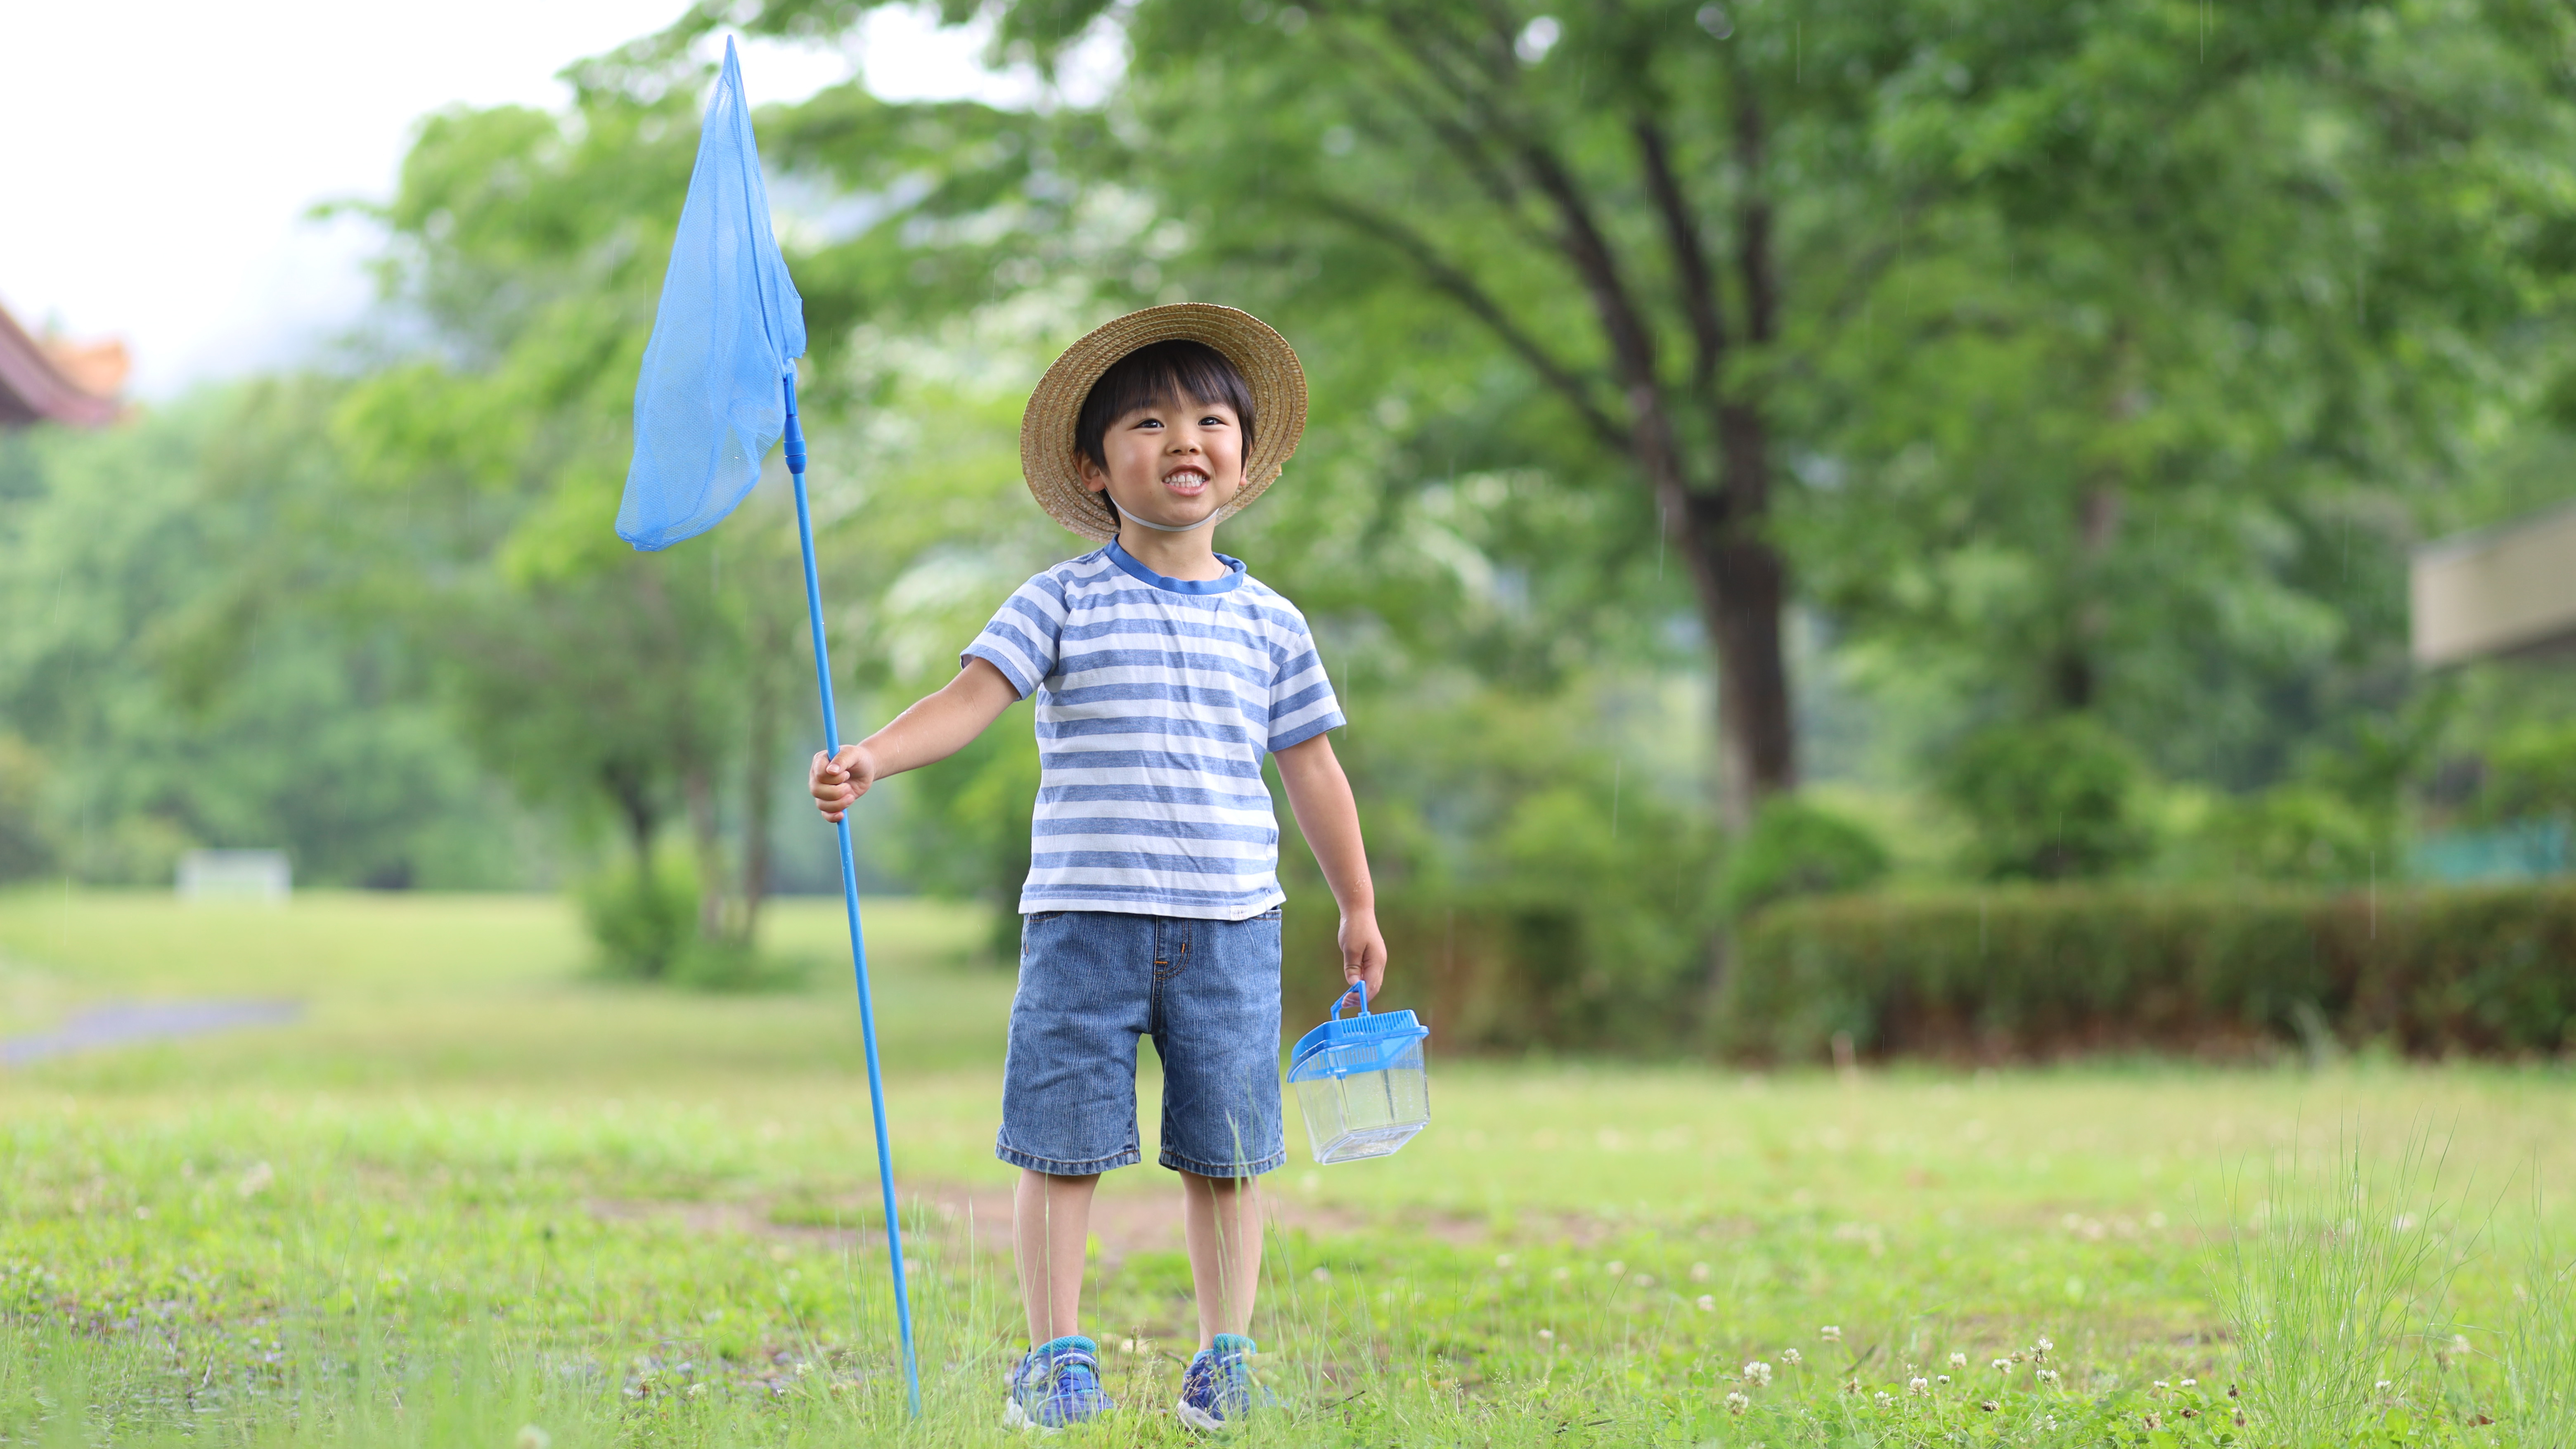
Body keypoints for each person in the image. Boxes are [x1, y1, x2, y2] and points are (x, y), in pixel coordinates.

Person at [807, 304, 1386, 1432]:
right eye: (1151, 421)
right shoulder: (1063, 599)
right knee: (1061, 1144)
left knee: (1227, 1155)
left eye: (1212, 419)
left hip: (1230, 926)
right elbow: (970, 698)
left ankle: (1227, 1359)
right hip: (1082, 922)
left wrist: (1358, 901)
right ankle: (1055, 1359)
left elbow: (1314, 771)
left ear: (1243, 457)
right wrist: (872, 755)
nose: (1186, 438)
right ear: (1093, 466)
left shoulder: (1270, 623)